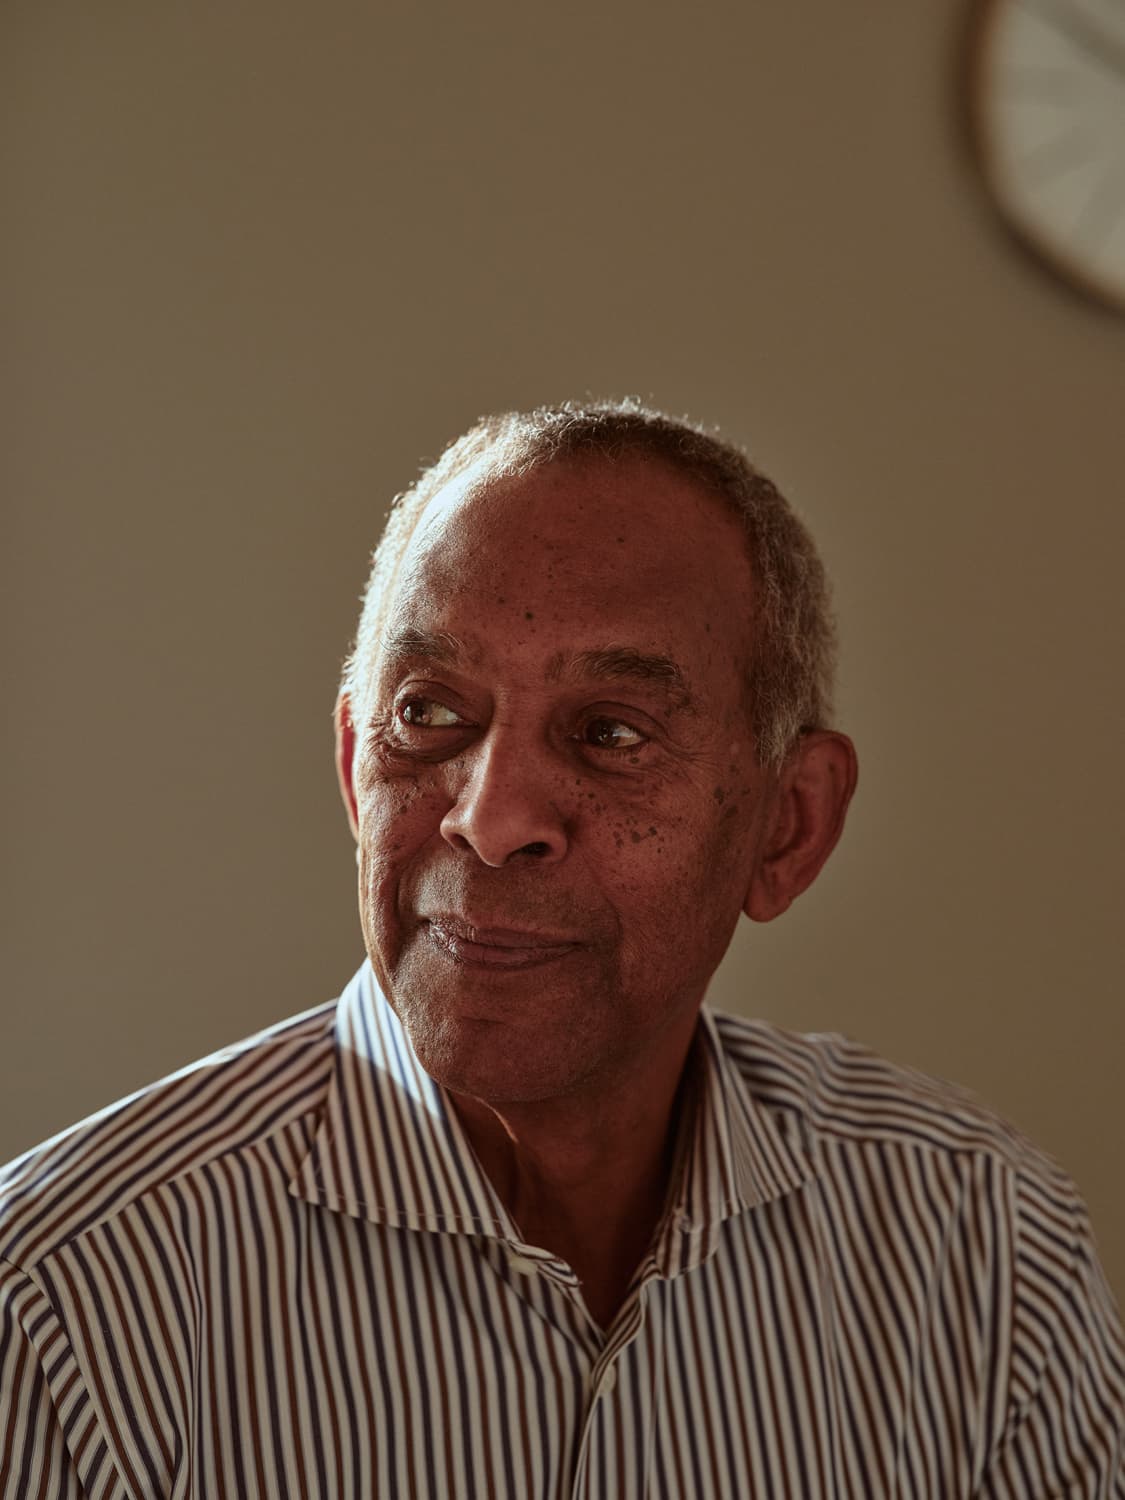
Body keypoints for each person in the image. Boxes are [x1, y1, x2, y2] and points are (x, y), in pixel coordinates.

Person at [1, 400, 1121, 1498]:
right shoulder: (64, 1308)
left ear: (788, 825)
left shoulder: (980, 1246)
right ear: (354, 767)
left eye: (611, 733)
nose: (491, 818)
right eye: (430, 714)